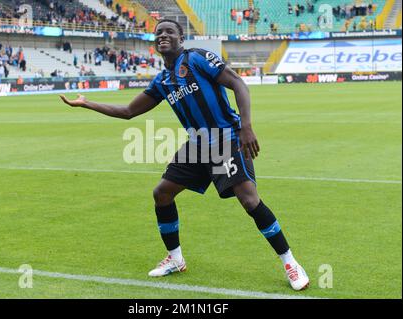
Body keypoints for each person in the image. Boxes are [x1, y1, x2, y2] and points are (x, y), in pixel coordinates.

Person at [59, 19, 309, 291]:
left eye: (169, 32)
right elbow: (128, 112)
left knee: (249, 200)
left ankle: (290, 262)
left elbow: (239, 84)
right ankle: (175, 259)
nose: (163, 36)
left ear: (181, 38)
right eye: (159, 33)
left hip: (226, 137)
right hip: (198, 144)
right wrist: (87, 104)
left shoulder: (197, 58)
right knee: (162, 193)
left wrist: (246, 127)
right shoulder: (162, 80)